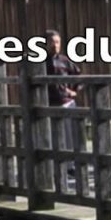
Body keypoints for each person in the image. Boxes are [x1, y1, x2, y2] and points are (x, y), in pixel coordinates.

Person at [45, 30, 81, 174]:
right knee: (53, 137)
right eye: (52, 42)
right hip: (50, 103)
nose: (55, 45)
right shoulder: (41, 62)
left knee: (70, 135)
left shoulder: (65, 60)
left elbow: (78, 75)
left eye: (57, 42)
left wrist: (74, 91)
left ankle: (71, 166)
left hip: (66, 102)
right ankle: (56, 165)